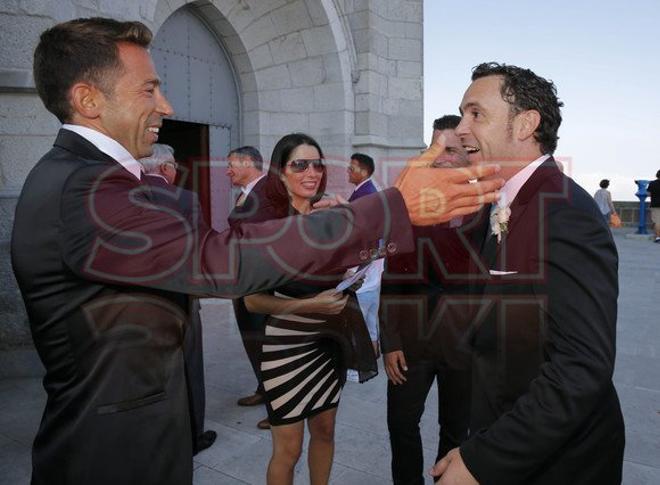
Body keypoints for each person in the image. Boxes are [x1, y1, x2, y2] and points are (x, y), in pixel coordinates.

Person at [10, 17, 502, 485]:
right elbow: (222, 260)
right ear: (87, 98)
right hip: (110, 451)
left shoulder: (93, 180)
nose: (166, 105)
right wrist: (389, 209)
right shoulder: (82, 189)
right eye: (148, 88)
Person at [430, 62, 624, 485]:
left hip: (558, 461)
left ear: (525, 125)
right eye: (462, 114)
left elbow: (581, 366)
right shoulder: (502, 202)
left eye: (475, 114)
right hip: (502, 423)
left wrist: (485, 459)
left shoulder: (565, 211)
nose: (460, 129)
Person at [243, 133, 377, 485]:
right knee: (288, 449)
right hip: (286, 345)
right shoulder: (267, 225)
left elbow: (348, 270)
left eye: (317, 164)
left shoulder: (329, 217)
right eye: (299, 164)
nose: (312, 172)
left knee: (326, 431)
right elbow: (252, 300)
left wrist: (351, 279)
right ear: (280, 172)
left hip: (328, 340)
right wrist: (308, 303)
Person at [380, 115, 470, 485]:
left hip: (466, 345)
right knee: (401, 426)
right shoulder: (409, 206)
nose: (442, 157)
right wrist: (390, 341)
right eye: (433, 148)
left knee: (456, 432)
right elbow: (391, 277)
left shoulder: (490, 205)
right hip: (411, 343)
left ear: (468, 153)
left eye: (450, 149)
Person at [139, 144, 217, 453]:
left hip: (136, 302)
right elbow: (201, 249)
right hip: (180, 299)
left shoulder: (123, 194)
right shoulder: (186, 199)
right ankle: (193, 435)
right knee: (189, 367)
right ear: (165, 168)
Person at [225, 145, 271, 429]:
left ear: (247, 163)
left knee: (267, 343)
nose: (227, 170)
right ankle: (263, 389)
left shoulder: (268, 192)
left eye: (231, 164)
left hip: (261, 282)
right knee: (253, 339)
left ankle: (280, 407)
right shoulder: (246, 193)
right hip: (243, 280)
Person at [347, 152, 383, 359]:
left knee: (360, 316)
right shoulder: (366, 191)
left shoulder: (366, 194)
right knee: (370, 318)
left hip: (365, 267)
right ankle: (373, 352)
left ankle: (361, 360)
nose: (348, 171)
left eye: (352, 167)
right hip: (372, 267)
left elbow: (363, 232)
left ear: (364, 171)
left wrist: (352, 269)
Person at [647, 169, 660, 242]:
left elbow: (648, 193)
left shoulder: (652, 183)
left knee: (657, 221)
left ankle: (658, 237)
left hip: (655, 204)